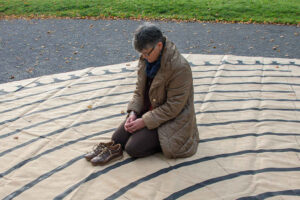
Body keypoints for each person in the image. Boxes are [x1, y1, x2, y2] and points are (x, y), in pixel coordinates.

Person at [85, 23, 199, 166]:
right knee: (118, 138)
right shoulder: (146, 59)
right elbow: (139, 91)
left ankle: (159, 142)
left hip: (173, 120)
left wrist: (144, 121)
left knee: (133, 148)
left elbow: (174, 107)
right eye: (141, 54)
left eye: (147, 53)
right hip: (150, 110)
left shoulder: (179, 67)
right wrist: (133, 113)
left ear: (159, 45)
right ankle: (131, 139)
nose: (144, 57)